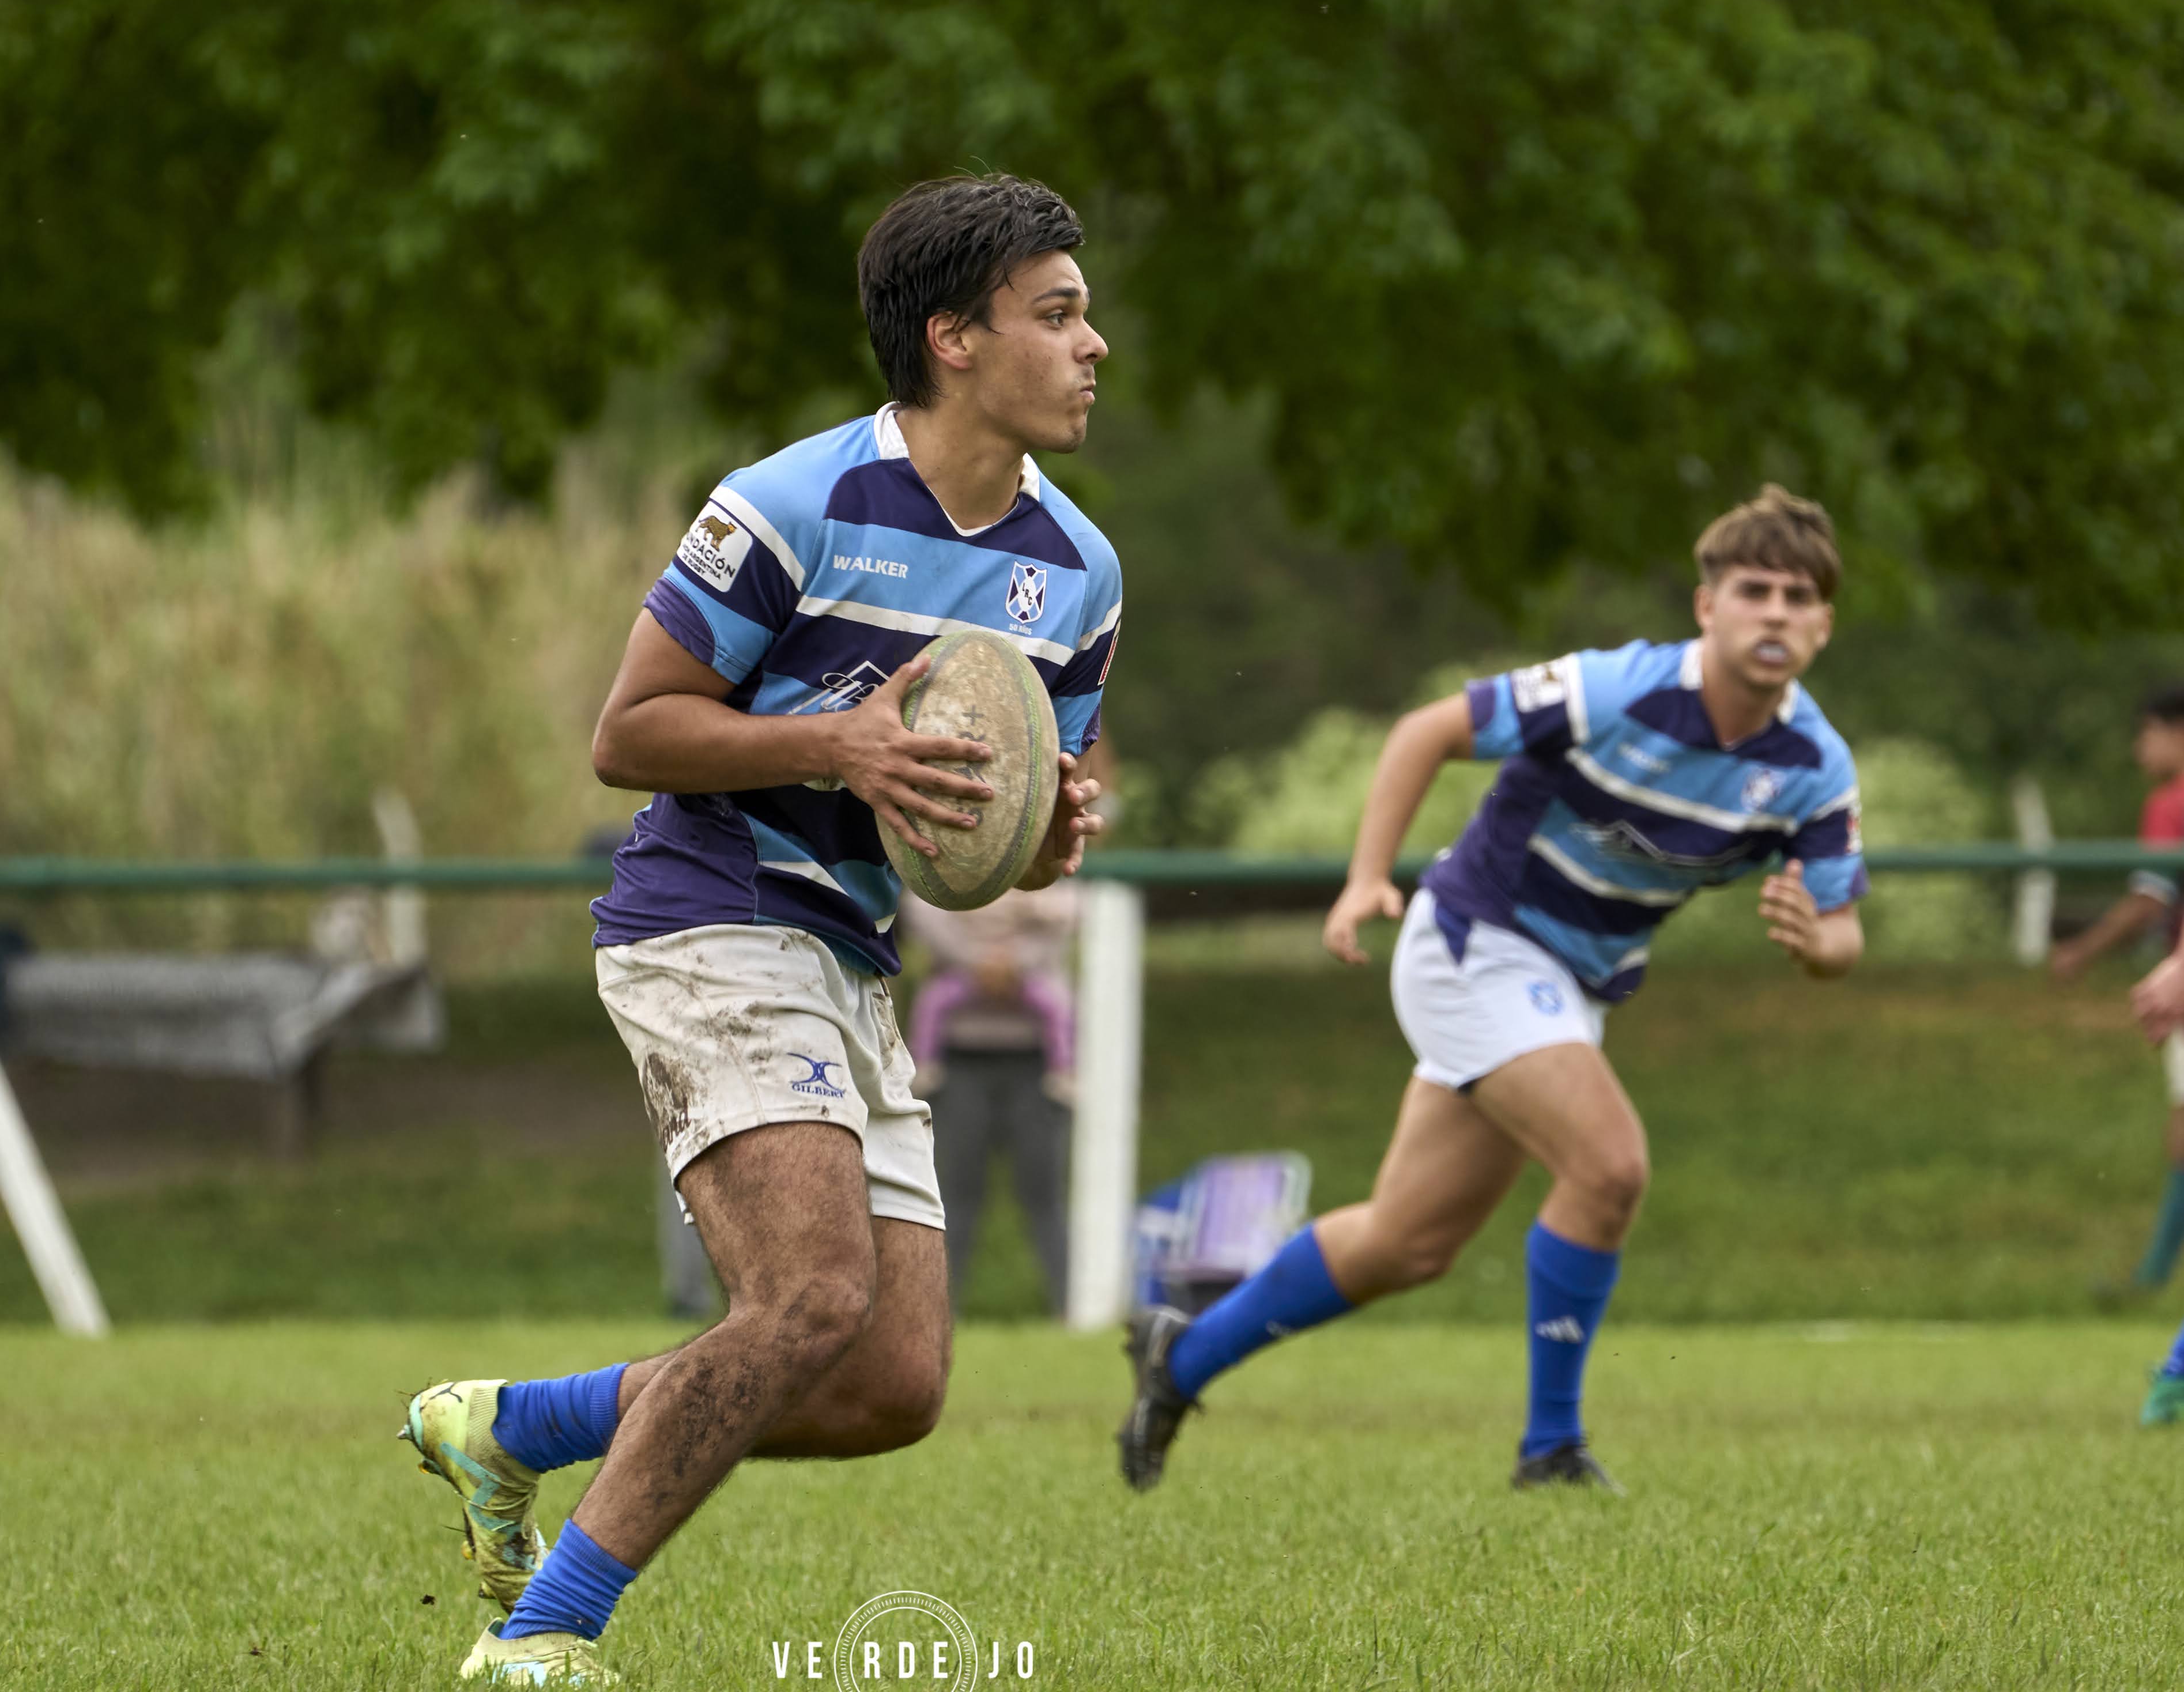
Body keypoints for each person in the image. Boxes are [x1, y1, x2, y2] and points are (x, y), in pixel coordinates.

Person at [395, 173, 1119, 1686]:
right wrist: (831, 744)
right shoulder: (786, 506)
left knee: (887, 1385)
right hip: (706, 915)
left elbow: (988, 843)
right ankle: (538, 1634)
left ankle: (507, 1423)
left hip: (850, 949)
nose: (1092, 343)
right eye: (1054, 314)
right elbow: (627, 733)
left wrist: (1045, 828)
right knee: (802, 1295)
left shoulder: (1082, 572)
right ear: (954, 338)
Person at [1118, 486, 1868, 1495]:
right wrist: (1365, 877)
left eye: (1798, 596)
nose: (1775, 612)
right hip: (1477, 941)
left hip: (1571, 987)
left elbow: (1842, 933)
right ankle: (1549, 1447)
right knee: (1609, 1166)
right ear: (1707, 606)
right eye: (1754, 590)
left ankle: (1182, 1356)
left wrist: (1817, 941)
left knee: (1407, 1240)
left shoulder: (1816, 768)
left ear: (1823, 621)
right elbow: (1426, 730)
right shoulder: (1617, 690)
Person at [2048, 685, 2184, 1296]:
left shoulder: (2171, 803)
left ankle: (2152, 1276)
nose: (2138, 748)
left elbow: (2149, 899)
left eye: (2145, 733)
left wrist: (2083, 949)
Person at [903, 882, 1079, 1311]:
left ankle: (1075, 1309)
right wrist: (979, 963)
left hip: (1039, 1065)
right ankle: (935, 1314)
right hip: (957, 1060)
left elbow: (1072, 910)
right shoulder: (946, 850)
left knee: (1047, 1196)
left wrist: (1014, 964)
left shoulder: (1044, 850)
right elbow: (920, 908)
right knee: (951, 1198)